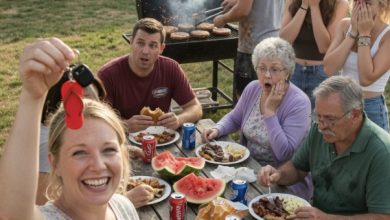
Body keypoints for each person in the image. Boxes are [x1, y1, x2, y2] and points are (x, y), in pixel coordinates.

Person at [0, 38, 139, 219]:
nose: (98, 165)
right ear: (54, 163)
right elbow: (13, 214)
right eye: (80, 152)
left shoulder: (124, 207)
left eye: (109, 149)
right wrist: (32, 97)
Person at [258, 76, 390, 218]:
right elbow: (298, 168)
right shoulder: (319, 129)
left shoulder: (382, 152)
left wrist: (326, 218)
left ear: (355, 115)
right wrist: (278, 175)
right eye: (318, 116)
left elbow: (382, 217)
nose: (321, 126)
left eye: (330, 119)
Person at [202, 37, 313, 200]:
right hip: (248, 169)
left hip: (280, 181)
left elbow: (284, 153)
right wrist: (217, 128)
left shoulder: (299, 103)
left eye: (275, 69)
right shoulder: (253, 88)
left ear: (287, 72)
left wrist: (270, 113)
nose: (267, 75)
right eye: (262, 68)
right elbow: (235, 118)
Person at [37, 66, 152, 208]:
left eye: (97, 103)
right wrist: (125, 201)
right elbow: (41, 204)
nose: (94, 111)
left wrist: (118, 150)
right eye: (84, 103)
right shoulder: (45, 143)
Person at [98, 18, 202, 133]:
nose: (145, 51)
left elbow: (195, 107)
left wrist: (179, 119)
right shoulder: (107, 75)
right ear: (131, 42)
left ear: (161, 48)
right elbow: (96, 121)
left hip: (161, 138)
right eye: (140, 43)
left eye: (153, 45)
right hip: (121, 140)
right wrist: (124, 125)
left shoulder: (171, 68)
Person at [324, 0, 390, 131]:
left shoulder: (387, 35)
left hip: (370, 108)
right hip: (343, 105)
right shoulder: (344, 26)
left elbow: (366, 79)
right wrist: (353, 32)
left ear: (381, 5)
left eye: (367, 3)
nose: (360, 7)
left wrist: (364, 33)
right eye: (357, 2)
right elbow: (329, 68)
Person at [280, 0, 349, 109]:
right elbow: (285, 39)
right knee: (292, 118)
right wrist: (304, 6)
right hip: (294, 72)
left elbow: (324, 47)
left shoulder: (339, 3)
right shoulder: (292, 1)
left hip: (322, 74)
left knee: (320, 122)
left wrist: (314, 7)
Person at [213, 0, 284, 99]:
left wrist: (223, 19)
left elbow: (242, 11)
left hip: (254, 45)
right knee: (267, 96)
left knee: (246, 98)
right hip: (275, 40)